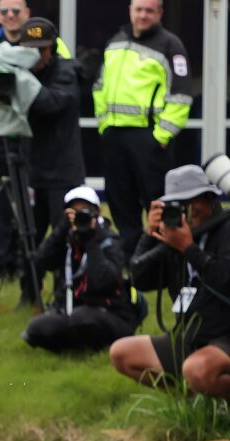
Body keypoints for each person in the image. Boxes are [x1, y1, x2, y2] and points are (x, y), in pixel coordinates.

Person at [0, 0, 72, 282]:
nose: (10, 16)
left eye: (16, 11)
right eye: (4, 11)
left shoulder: (50, 44)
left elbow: (55, 95)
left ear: (26, 14)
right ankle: (4, 266)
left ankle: (31, 273)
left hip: (35, 142)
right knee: (4, 208)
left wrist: (22, 81)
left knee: (30, 212)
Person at [111, 165, 230, 398]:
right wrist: (149, 235)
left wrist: (189, 248)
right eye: (178, 204)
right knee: (121, 353)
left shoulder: (225, 229)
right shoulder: (174, 234)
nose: (187, 211)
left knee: (196, 370)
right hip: (189, 335)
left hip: (225, 337)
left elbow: (226, 280)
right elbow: (141, 279)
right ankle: (194, 402)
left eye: (191, 201)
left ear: (208, 199)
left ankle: (220, 402)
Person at [93, 0, 192, 260]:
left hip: (148, 138)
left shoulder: (171, 45)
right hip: (114, 135)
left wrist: (161, 137)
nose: (143, 15)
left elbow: (181, 96)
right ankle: (132, 261)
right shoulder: (115, 42)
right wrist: (104, 123)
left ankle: (165, 259)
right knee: (120, 201)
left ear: (160, 13)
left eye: (149, 10)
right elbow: (99, 86)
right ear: (130, 11)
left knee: (158, 203)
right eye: (139, 9)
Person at [20, 17, 86, 308]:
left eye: (42, 49)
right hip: (31, 168)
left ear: (53, 48)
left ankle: (64, 293)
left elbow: (49, 104)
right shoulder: (21, 71)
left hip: (63, 171)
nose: (36, 55)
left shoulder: (67, 72)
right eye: (30, 49)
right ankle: (29, 293)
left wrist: (20, 84)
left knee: (64, 234)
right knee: (27, 235)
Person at [23, 186, 135, 352]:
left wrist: (90, 241)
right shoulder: (67, 238)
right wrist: (61, 229)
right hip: (70, 311)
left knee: (82, 318)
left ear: (98, 212)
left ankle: (90, 344)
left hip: (109, 312)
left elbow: (104, 281)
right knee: (36, 328)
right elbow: (42, 261)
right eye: (73, 212)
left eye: (85, 211)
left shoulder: (109, 239)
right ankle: (77, 345)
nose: (79, 216)